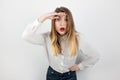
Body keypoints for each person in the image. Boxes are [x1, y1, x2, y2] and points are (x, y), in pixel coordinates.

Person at [22, 6, 100, 80]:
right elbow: (26, 36)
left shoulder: (77, 39)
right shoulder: (47, 37)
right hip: (52, 75)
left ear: (70, 23)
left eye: (66, 20)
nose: (62, 23)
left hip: (70, 76)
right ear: (53, 22)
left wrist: (79, 66)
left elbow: (95, 56)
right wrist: (44, 17)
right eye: (58, 19)